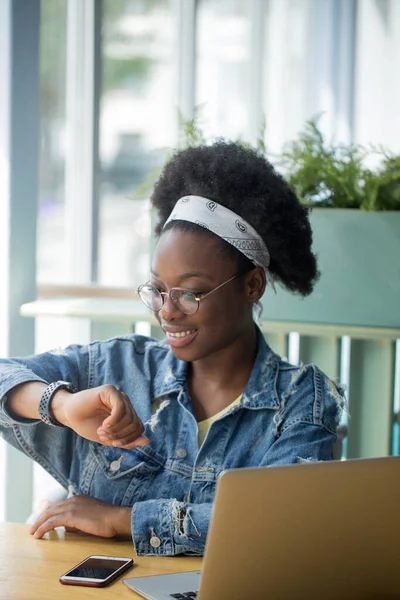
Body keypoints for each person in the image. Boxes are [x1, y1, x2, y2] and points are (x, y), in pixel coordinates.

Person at [0, 141, 345, 556]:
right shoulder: (120, 365)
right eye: (159, 290)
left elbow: (281, 525)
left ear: (252, 285)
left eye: (190, 293)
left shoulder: (302, 401)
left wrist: (119, 519)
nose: (167, 311)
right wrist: (62, 406)